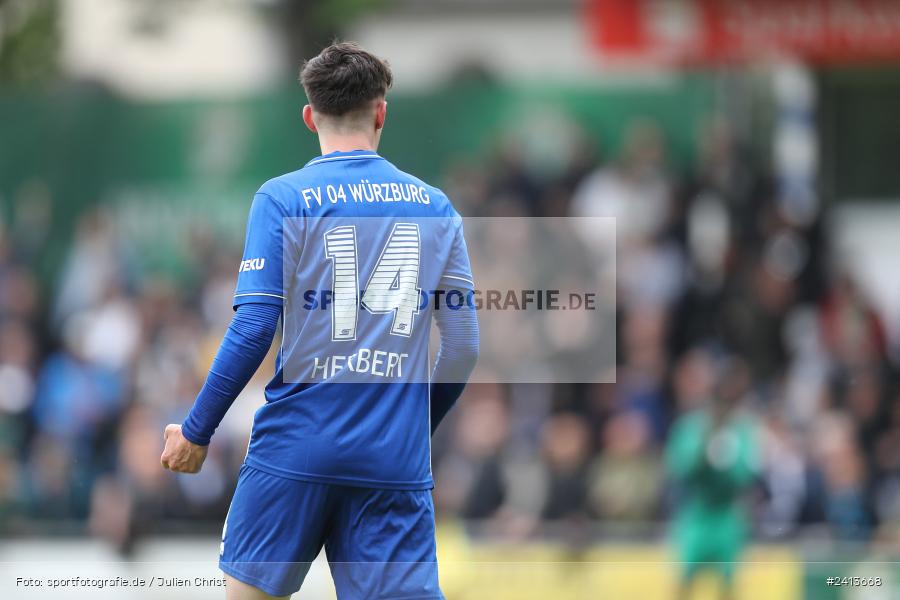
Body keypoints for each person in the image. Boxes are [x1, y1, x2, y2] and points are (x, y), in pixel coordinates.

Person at [159, 42, 479, 600]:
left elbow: (254, 327)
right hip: (392, 461)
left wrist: (196, 430)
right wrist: (409, 427)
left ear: (310, 117)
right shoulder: (436, 207)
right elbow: (463, 345)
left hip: (296, 447)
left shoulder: (283, 198)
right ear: (381, 113)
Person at [665, 357, 759, 600]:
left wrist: (725, 468)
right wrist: (702, 454)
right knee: (683, 579)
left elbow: (746, 475)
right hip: (697, 511)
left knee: (729, 583)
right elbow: (680, 469)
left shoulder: (743, 429)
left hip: (728, 514)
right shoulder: (690, 427)